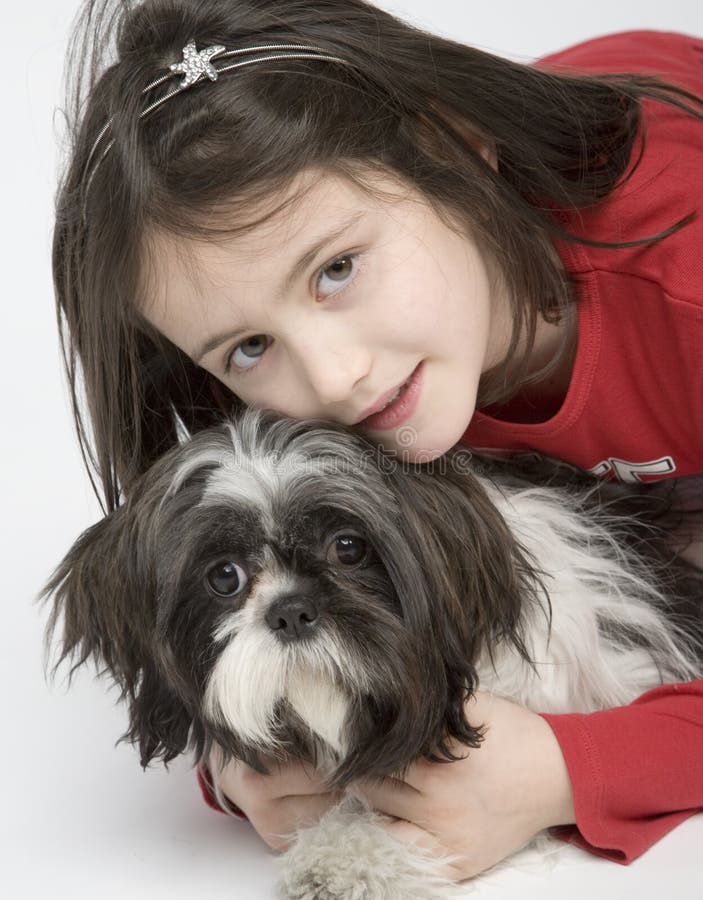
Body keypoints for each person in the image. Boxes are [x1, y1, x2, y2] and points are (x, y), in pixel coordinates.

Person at [53, 0, 703, 882]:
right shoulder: (324, 387)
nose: (330, 379)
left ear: (460, 156)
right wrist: (240, 757)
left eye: (336, 270)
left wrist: (566, 768)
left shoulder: (685, 291)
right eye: (249, 346)